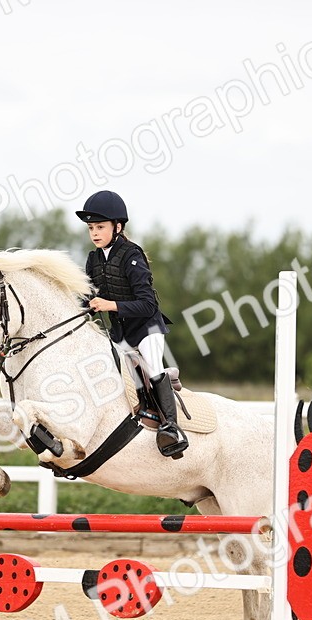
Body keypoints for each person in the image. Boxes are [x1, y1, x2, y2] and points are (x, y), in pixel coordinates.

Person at [75, 190, 188, 458]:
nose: (94, 232)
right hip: (121, 331)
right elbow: (90, 297)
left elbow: (148, 304)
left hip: (146, 327)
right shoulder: (93, 259)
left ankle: (172, 428)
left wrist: (109, 305)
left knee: (152, 365)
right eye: (91, 227)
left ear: (118, 226)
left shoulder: (131, 255)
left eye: (100, 227)